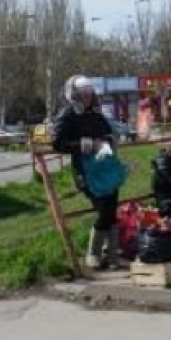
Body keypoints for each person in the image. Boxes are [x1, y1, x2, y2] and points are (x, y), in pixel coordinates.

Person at [52, 75, 123, 270]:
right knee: (104, 210)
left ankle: (112, 254)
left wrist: (109, 140)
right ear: (73, 95)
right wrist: (89, 144)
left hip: (106, 168)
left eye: (89, 94)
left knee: (111, 209)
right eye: (83, 94)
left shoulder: (95, 113)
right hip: (85, 170)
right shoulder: (67, 115)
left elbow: (108, 132)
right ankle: (93, 253)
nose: (87, 98)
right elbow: (58, 143)